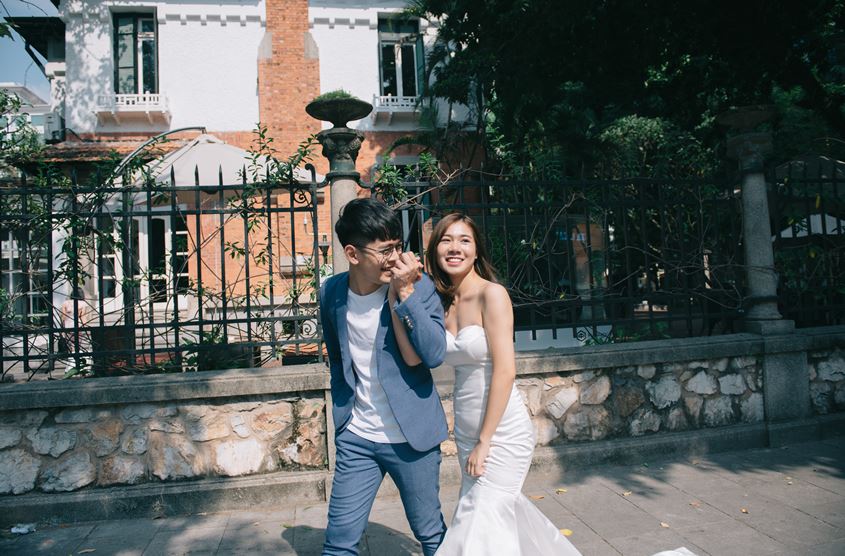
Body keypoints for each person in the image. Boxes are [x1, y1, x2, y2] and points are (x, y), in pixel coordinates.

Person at [422, 213, 582, 555]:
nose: (455, 248)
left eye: (464, 240)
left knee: (480, 520)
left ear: (477, 250)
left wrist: (485, 440)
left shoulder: (492, 294)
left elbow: (506, 371)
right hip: (466, 430)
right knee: (490, 521)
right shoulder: (442, 304)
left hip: (501, 433)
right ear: (435, 250)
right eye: (446, 240)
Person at [320, 198, 449, 556]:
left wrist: (405, 293)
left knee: (430, 533)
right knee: (339, 541)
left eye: (397, 246)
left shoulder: (419, 286)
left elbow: (434, 355)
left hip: (412, 439)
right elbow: (338, 360)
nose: (395, 258)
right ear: (352, 253)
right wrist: (344, 421)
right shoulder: (331, 293)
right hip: (358, 437)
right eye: (385, 250)